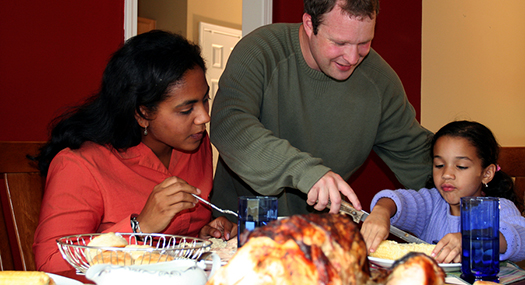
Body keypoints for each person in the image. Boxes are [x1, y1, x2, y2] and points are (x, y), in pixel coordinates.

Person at [32, 30, 237, 273]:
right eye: (185, 110)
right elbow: (50, 263)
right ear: (142, 114)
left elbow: (178, 237)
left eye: (205, 99)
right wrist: (140, 227)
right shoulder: (79, 165)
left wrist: (203, 238)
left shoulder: (196, 144)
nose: (204, 117)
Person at [209, 0, 432, 217]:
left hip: (317, 237)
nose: (353, 58)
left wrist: (463, 170)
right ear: (309, 24)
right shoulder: (261, 50)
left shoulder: (380, 83)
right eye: (340, 43)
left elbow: (418, 155)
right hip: (238, 230)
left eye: (364, 43)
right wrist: (306, 172)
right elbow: (229, 123)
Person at [361, 120, 525, 263]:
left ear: (486, 173)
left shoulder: (499, 208)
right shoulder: (432, 204)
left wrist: (473, 240)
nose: (446, 174)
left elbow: (521, 237)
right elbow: (401, 200)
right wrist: (381, 211)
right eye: (439, 165)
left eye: (460, 166)